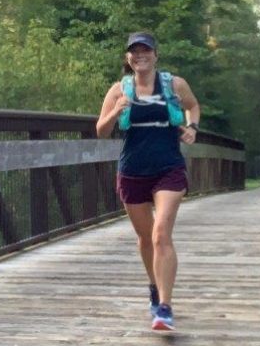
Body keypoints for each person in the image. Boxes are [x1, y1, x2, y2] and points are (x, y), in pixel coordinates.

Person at [96, 31, 200, 331]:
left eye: (146, 50)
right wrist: (116, 110)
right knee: (145, 239)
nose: (140, 55)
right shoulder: (119, 89)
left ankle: (165, 308)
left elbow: (193, 106)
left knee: (160, 234)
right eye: (134, 51)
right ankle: (154, 288)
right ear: (128, 58)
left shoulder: (174, 84)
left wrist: (192, 127)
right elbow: (101, 130)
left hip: (169, 168)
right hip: (132, 171)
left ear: (156, 55)